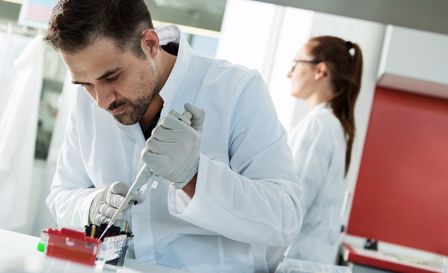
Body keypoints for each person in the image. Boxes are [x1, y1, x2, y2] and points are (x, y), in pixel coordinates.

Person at [44, 0, 304, 272]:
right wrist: (91, 205)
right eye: (85, 84)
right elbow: (62, 193)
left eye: (112, 77)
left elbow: (285, 219)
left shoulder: (237, 90)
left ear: (151, 44)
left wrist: (194, 176)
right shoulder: (89, 101)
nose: (101, 100)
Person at [285, 36, 363, 263]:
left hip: (298, 260)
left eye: (295, 63)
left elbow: (290, 208)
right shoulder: (333, 125)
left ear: (320, 70)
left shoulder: (319, 125)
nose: (289, 73)